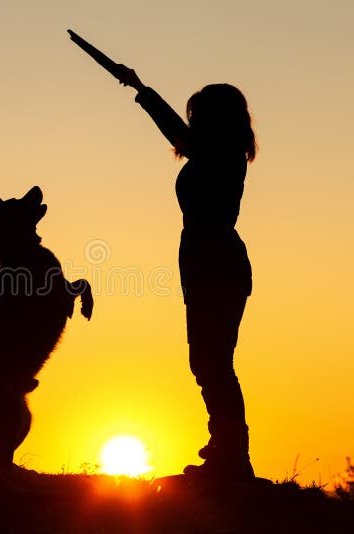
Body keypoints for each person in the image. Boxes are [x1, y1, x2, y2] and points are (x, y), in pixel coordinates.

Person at [118, 68, 257, 480]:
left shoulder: (222, 154)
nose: (191, 122)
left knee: (212, 363)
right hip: (206, 264)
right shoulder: (217, 151)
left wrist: (144, 92)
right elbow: (182, 135)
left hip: (217, 265)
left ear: (215, 120)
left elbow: (181, 135)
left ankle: (232, 454)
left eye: (198, 115)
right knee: (209, 362)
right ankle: (226, 449)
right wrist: (141, 89)